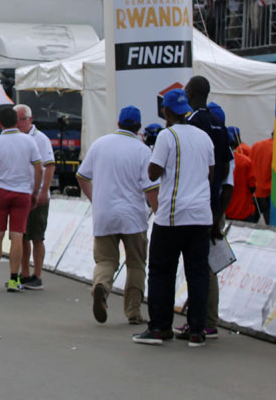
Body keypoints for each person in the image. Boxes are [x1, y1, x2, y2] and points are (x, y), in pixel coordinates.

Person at [133, 88, 215, 348]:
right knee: (197, 274)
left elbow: (154, 173)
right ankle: (197, 331)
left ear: (166, 111)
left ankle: (159, 327)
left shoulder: (168, 136)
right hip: (201, 215)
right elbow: (210, 174)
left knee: (161, 272)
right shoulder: (204, 137)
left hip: (172, 216)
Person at [78, 106, 157, 325]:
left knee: (105, 260)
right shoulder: (143, 151)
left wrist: (96, 199)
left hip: (104, 214)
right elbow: (151, 189)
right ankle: (133, 311)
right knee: (136, 264)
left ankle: (101, 286)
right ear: (139, 127)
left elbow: (82, 176)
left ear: (119, 123)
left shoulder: (100, 144)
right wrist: (160, 213)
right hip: (133, 216)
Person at [184, 78, 233, 339]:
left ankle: (202, 320)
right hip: (213, 202)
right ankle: (201, 318)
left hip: (197, 204)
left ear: (189, 93)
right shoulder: (219, 124)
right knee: (205, 264)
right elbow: (224, 168)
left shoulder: (193, 123)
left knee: (198, 266)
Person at [0, 106, 44, 292]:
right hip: (22, 192)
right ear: (17, 121)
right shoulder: (29, 141)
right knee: (17, 235)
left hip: (0, 191)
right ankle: (15, 278)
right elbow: (39, 169)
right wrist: (35, 192)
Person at [15, 103, 56, 290]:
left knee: (37, 236)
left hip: (36, 194)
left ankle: (37, 274)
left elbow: (49, 166)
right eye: (16, 120)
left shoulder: (40, 139)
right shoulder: (14, 138)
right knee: (22, 236)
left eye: (22, 119)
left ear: (30, 120)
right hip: (21, 193)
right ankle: (24, 273)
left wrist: (43, 191)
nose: (19, 123)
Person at [224, 129, 258, 223]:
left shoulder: (220, 161)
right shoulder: (245, 161)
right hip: (243, 209)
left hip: (225, 210)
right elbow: (252, 186)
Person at [249, 132, 274, 223]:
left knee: (249, 225)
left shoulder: (256, 145)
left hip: (254, 192)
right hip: (269, 193)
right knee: (272, 228)